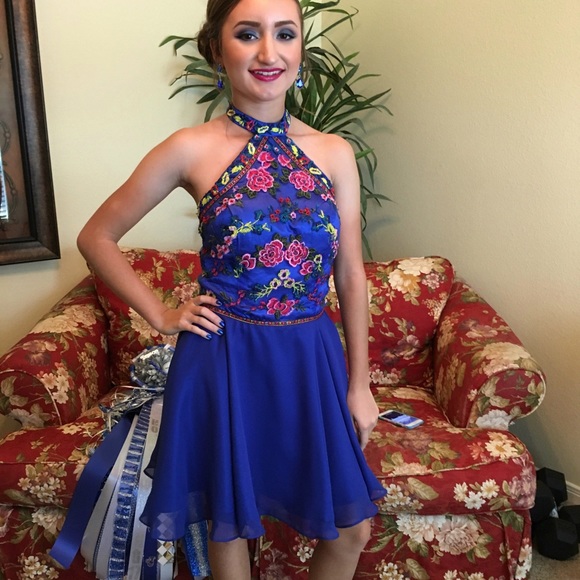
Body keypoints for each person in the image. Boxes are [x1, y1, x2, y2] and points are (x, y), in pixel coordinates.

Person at [77, 0, 386, 577]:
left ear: (301, 50)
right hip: (223, 356)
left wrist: (360, 384)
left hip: (310, 357)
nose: (269, 52)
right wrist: (162, 314)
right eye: (248, 34)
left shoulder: (335, 153)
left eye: (285, 34)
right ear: (218, 49)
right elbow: (97, 237)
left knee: (352, 530)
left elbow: (349, 274)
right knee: (228, 523)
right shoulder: (189, 147)